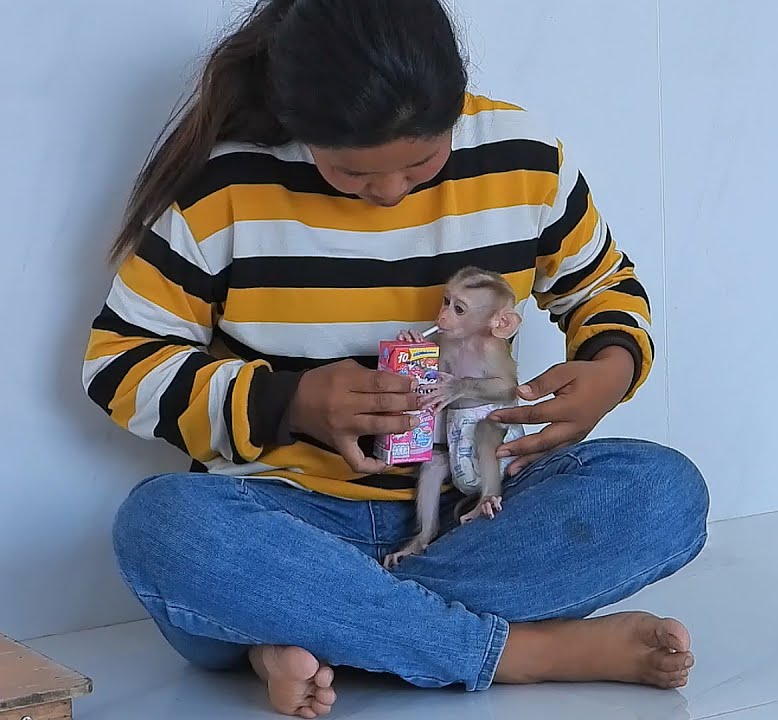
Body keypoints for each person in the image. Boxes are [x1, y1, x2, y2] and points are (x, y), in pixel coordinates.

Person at [81, 0, 710, 716]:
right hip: (285, 516)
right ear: (298, 125)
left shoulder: (521, 156)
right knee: (164, 529)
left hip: (475, 514)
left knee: (665, 492)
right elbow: (119, 364)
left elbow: (604, 286)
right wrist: (289, 401)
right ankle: (521, 653)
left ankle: (312, 626)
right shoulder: (227, 193)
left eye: (421, 161)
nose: (387, 191)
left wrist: (609, 370)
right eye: (350, 173)